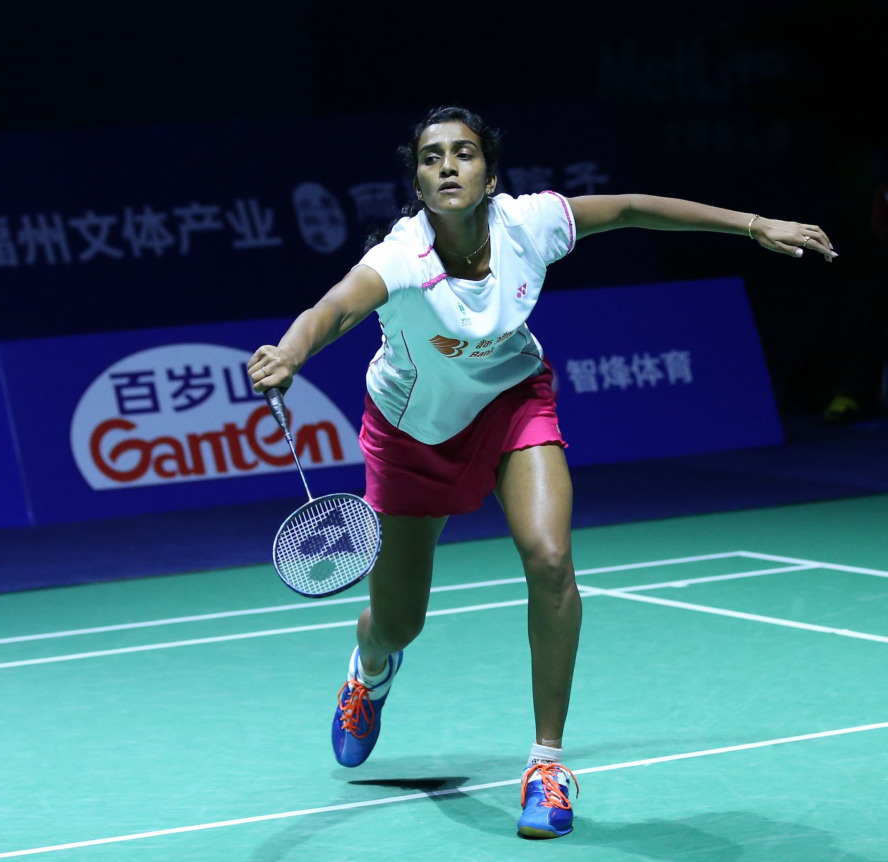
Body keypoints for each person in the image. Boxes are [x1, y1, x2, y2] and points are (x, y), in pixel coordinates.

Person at [246, 105, 836, 840]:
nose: (448, 165)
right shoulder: (401, 257)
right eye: (431, 158)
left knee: (551, 559)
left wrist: (752, 224)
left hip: (512, 402)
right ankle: (369, 673)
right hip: (411, 435)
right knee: (400, 621)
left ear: (491, 175)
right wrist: (292, 351)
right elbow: (333, 309)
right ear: (418, 185)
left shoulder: (529, 224)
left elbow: (630, 207)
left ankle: (547, 765)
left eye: (465, 153)